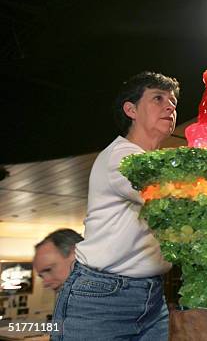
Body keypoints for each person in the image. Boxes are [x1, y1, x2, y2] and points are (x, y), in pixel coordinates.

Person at [52, 71, 179, 341]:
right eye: (158, 98)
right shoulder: (122, 157)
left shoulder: (155, 161)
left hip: (153, 299)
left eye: (173, 101)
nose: (170, 106)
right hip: (101, 299)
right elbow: (168, 197)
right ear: (130, 110)